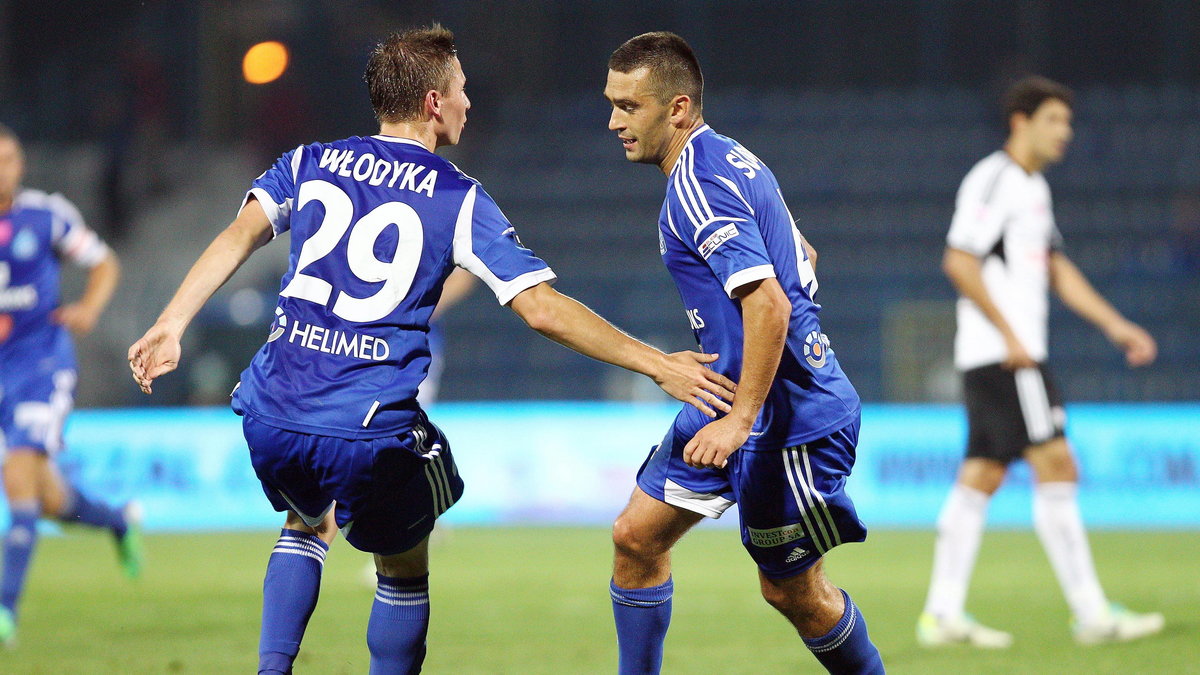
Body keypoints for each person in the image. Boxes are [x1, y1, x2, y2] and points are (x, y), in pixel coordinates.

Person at [127, 25, 735, 675]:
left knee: (307, 524)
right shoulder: (457, 197)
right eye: (463, 89)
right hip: (365, 425)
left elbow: (237, 234)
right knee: (406, 558)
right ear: (433, 103)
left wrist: (171, 321)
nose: (471, 101)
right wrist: (658, 361)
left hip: (271, 408)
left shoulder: (309, 161)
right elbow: (542, 309)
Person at [603, 33, 884, 674]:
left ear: (677, 108)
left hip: (787, 420)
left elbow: (771, 305)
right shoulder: (731, 159)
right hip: (728, 395)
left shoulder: (698, 183)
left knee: (792, 591)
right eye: (612, 103)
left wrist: (740, 419)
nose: (614, 121)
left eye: (629, 106)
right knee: (636, 538)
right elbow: (803, 256)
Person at [917, 75, 1164, 648]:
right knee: (1057, 463)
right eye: (1055, 120)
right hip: (1008, 356)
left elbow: (1055, 267)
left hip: (1001, 354)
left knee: (982, 473)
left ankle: (942, 613)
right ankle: (1093, 613)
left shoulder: (1033, 189)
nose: (1066, 133)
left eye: (1069, 123)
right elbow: (958, 259)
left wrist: (1114, 323)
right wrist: (1010, 334)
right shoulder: (994, 178)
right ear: (1021, 121)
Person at [0, 123, 141, 646]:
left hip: (40, 367)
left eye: (11, 158)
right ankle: (117, 522)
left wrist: (88, 309)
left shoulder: (47, 214)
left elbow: (103, 261)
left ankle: (5, 613)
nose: (5, 168)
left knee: (18, 477)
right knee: (50, 499)